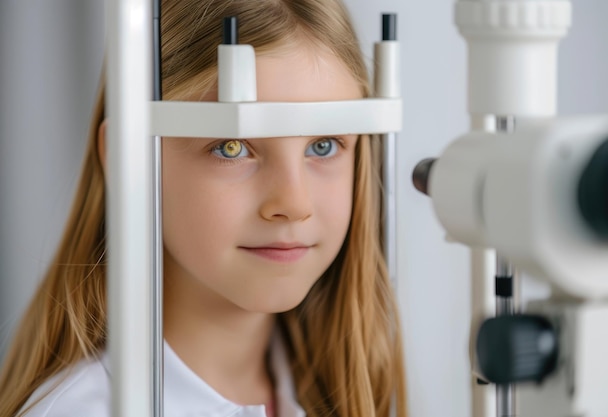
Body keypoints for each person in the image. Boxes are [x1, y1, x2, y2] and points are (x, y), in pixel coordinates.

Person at [0, 0, 407, 416]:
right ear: (130, 158)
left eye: (323, 146)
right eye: (232, 148)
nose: (294, 204)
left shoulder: (343, 390)